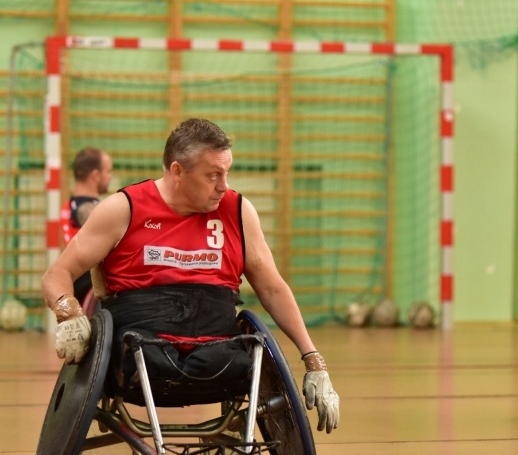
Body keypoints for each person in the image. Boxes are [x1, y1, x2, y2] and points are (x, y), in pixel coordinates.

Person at [42, 118, 340, 433]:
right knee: (143, 351)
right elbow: (57, 273)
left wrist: (313, 360)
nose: (224, 185)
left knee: (252, 351)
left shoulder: (238, 211)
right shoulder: (122, 209)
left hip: (218, 353)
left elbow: (273, 290)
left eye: (226, 173)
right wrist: (68, 312)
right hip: (141, 352)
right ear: (177, 171)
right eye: (213, 175)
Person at [59, 147, 113, 303]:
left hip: (77, 284)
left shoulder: (69, 205)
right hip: (90, 286)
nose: (110, 176)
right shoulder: (89, 210)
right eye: (108, 171)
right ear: (96, 175)